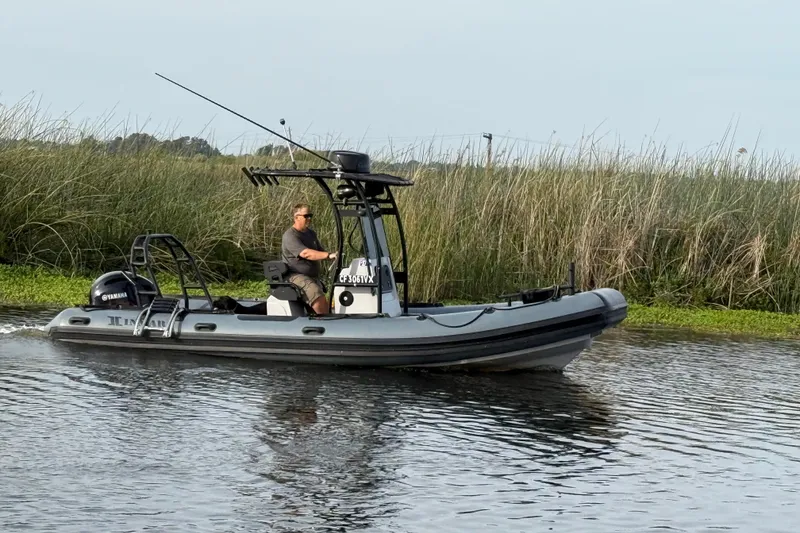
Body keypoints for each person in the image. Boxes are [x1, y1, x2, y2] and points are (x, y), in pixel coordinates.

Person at [281, 203, 338, 314]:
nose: (309, 219)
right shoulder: (290, 235)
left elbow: (320, 252)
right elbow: (306, 253)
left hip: (311, 277)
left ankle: (321, 317)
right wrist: (328, 255)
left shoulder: (311, 233)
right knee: (317, 295)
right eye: (306, 216)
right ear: (296, 217)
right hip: (295, 276)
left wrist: (334, 254)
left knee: (326, 299)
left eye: (310, 215)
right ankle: (327, 321)